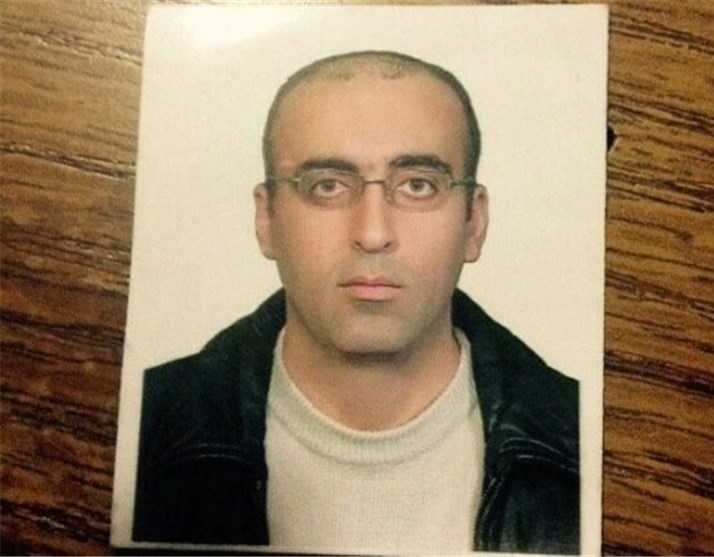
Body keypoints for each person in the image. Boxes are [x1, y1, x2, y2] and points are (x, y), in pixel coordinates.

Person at [133, 50, 579, 554]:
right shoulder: (143, 431)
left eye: (417, 186)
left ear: (473, 223)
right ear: (266, 219)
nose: (372, 233)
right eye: (326, 186)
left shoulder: (583, 441)